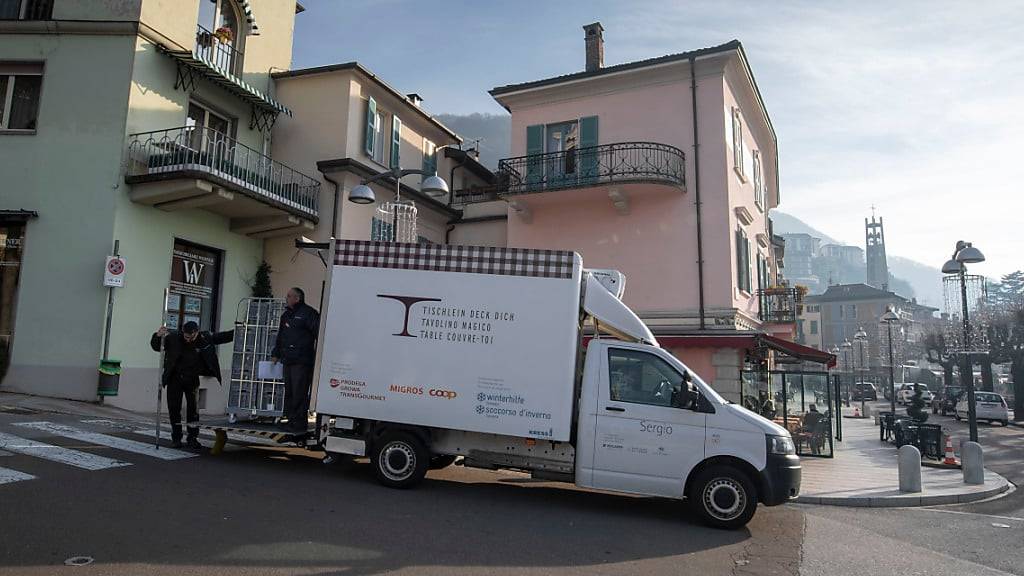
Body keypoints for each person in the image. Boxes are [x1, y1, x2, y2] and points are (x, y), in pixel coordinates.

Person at [151, 321, 234, 449]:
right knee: (174, 409)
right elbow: (157, 347)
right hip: (174, 378)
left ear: (196, 332)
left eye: (190, 337)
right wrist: (157, 335)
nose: (188, 339)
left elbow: (222, 337)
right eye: (185, 336)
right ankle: (176, 438)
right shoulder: (173, 337)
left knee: (193, 410)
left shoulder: (204, 338)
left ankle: (192, 438)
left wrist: (239, 331)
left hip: (192, 378)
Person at [271, 287, 320, 435]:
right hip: (288, 359)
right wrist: (275, 354)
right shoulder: (286, 315)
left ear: (297, 298)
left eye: (289, 296)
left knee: (300, 392)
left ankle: (299, 424)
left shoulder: (308, 313)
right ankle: (290, 421)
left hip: (302, 360)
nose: (287, 298)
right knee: (290, 393)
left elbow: (318, 333)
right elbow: (281, 336)